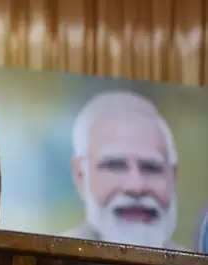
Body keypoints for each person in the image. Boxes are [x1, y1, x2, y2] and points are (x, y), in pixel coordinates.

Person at [61, 91, 181, 249]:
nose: (136, 187)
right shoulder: (48, 263)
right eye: (114, 165)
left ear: (172, 177)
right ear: (80, 175)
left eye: (152, 168)